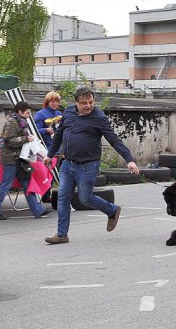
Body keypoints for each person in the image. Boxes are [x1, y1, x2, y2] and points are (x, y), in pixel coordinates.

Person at [43, 87, 139, 244]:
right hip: (68, 164)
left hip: (88, 165)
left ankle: (112, 210)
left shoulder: (99, 117)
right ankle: (62, 234)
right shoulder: (68, 112)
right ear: (76, 103)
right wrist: (50, 154)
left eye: (91, 102)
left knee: (85, 198)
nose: (88, 106)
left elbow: (114, 140)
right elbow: (59, 135)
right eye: (84, 103)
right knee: (62, 198)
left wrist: (129, 160)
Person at [0, 101, 53, 220]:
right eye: (27, 113)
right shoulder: (12, 123)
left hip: (20, 158)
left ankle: (38, 210)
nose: (29, 115)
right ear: (20, 112)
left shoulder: (20, 121)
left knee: (27, 184)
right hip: (11, 159)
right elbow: (8, 141)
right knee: (6, 185)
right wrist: (26, 139)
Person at [34, 91, 63, 203]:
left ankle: (47, 195)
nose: (54, 103)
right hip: (44, 148)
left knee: (55, 171)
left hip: (57, 147)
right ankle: (44, 193)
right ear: (47, 102)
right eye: (52, 101)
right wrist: (45, 130)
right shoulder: (40, 114)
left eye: (56, 101)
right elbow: (35, 131)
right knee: (46, 172)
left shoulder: (60, 114)